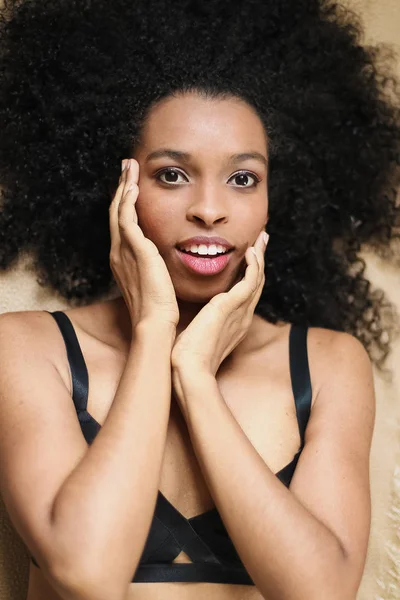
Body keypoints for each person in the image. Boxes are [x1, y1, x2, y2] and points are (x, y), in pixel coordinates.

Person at [0, 0, 399, 599]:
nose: (210, 210)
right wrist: (156, 331)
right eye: (172, 174)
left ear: (274, 198)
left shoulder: (327, 364)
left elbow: (321, 593)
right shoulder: (30, 348)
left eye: (243, 178)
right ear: (119, 186)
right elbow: (87, 573)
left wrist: (195, 376)